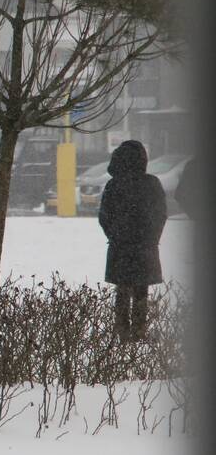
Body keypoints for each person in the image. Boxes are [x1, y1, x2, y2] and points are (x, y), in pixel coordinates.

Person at [98, 140, 167, 341]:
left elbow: (104, 216)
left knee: (122, 290)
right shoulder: (151, 183)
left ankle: (122, 331)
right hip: (145, 246)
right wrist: (152, 237)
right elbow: (161, 214)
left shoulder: (114, 184)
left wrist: (115, 235)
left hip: (120, 246)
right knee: (141, 291)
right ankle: (139, 331)